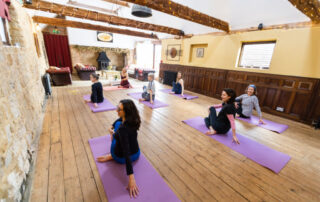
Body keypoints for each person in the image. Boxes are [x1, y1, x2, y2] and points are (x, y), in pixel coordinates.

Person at [97, 99, 141, 198]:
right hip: (137, 153)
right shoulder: (134, 119)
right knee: (117, 124)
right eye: (117, 107)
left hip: (121, 158)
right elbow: (120, 119)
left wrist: (131, 178)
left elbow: (126, 152)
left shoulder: (122, 129)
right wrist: (111, 125)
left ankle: (112, 156)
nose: (116, 110)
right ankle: (115, 133)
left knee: (117, 131)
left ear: (126, 112)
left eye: (119, 109)